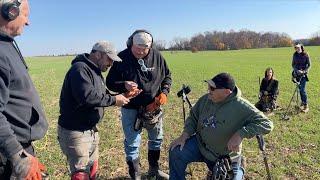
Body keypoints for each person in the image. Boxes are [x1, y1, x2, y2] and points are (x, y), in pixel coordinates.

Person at [169, 73, 274, 180]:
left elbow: (267, 124)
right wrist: (184, 135)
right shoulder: (206, 99)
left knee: (232, 177)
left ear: (227, 91)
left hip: (225, 157)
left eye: (212, 88)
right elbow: (193, 117)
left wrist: (240, 134)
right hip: (201, 146)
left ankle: (240, 168)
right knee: (176, 151)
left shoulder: (242, 106)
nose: (209, 90)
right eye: (209, 86)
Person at [57, 41, 133, 180]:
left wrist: (124, 93)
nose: (111, 64)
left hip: (90, 130)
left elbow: (102, 95)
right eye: (109, 59)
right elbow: (88, 97)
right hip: (76, 131)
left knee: (92, 169)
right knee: (81, 174)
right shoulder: (80, 69)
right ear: (98, 54)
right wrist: (115, 101)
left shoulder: (95, 71)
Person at [106, 30, 172, 179]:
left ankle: (154, 171)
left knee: (156, 139)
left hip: (153, 108)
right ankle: (135, 176)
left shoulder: (157, 56)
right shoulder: (121, 58)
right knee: (132, 143)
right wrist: (124, 85)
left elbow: (167, 76)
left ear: (150, 46)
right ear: (131, 44)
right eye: (137, 48)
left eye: (145, 49)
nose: (141, 52)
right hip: (130, 108)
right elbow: (109, 82)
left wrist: (164, 93)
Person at [0, 0, 49, 179]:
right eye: (25, 15)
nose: (28, 22)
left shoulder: (7, 45)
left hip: (17, 146)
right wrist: (17, 155)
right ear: (9, 12)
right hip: (8, 152)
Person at [292, 43, 311, 113]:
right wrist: (297, 70)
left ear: (301, 47)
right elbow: (293, 64)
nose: (297, 49)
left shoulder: (306, 54)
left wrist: (304, 71)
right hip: (296, 75)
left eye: (298, 47)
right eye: (296, 48)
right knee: (300, 89)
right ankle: (302, 102)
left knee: (302, 89)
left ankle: (306, 105)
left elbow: (309, 65)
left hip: (303, 75)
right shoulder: (294, 55)